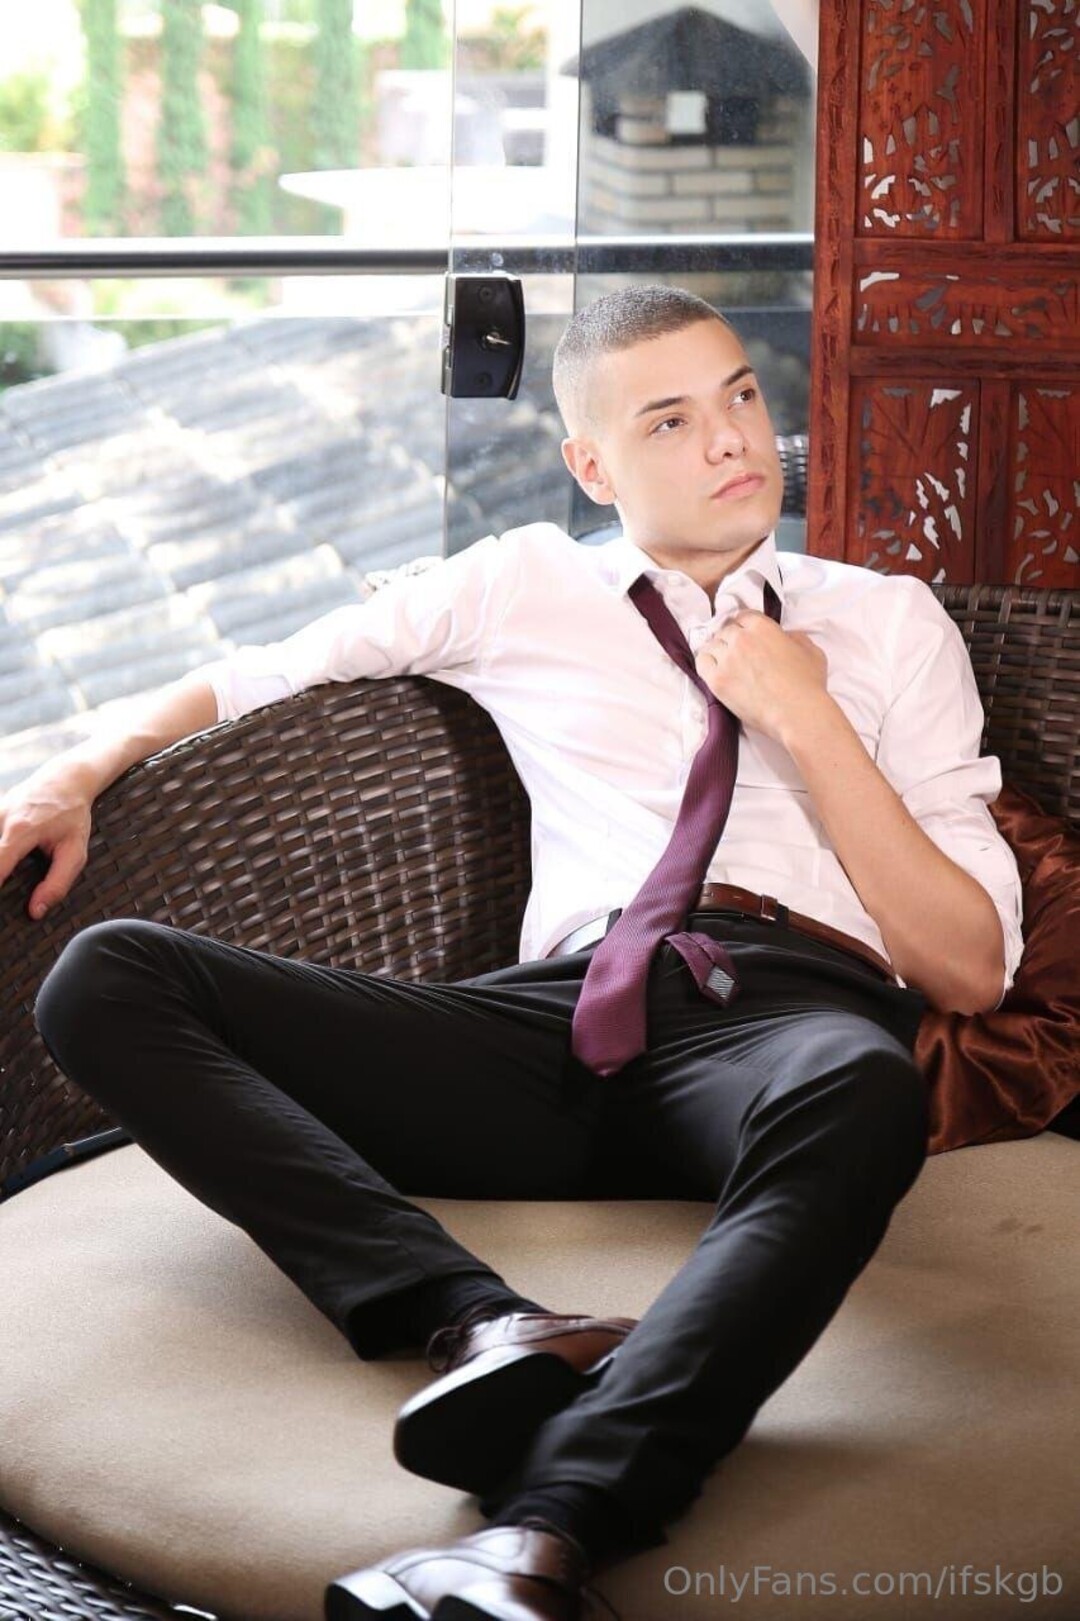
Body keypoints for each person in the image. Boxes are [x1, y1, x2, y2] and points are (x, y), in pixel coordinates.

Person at [4, 285, 1023, 1621]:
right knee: (108, 975)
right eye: (670, 420)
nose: (732, 440)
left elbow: (968, 969)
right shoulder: (525, 581)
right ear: (593, 466)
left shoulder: (888, 621)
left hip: (778, 1024)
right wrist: (74, 771)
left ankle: (544, 1533)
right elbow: (256, 673)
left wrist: (807, 718)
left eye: (740, 397)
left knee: (863, 1083)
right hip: (555, 1027)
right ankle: (481, 1320)